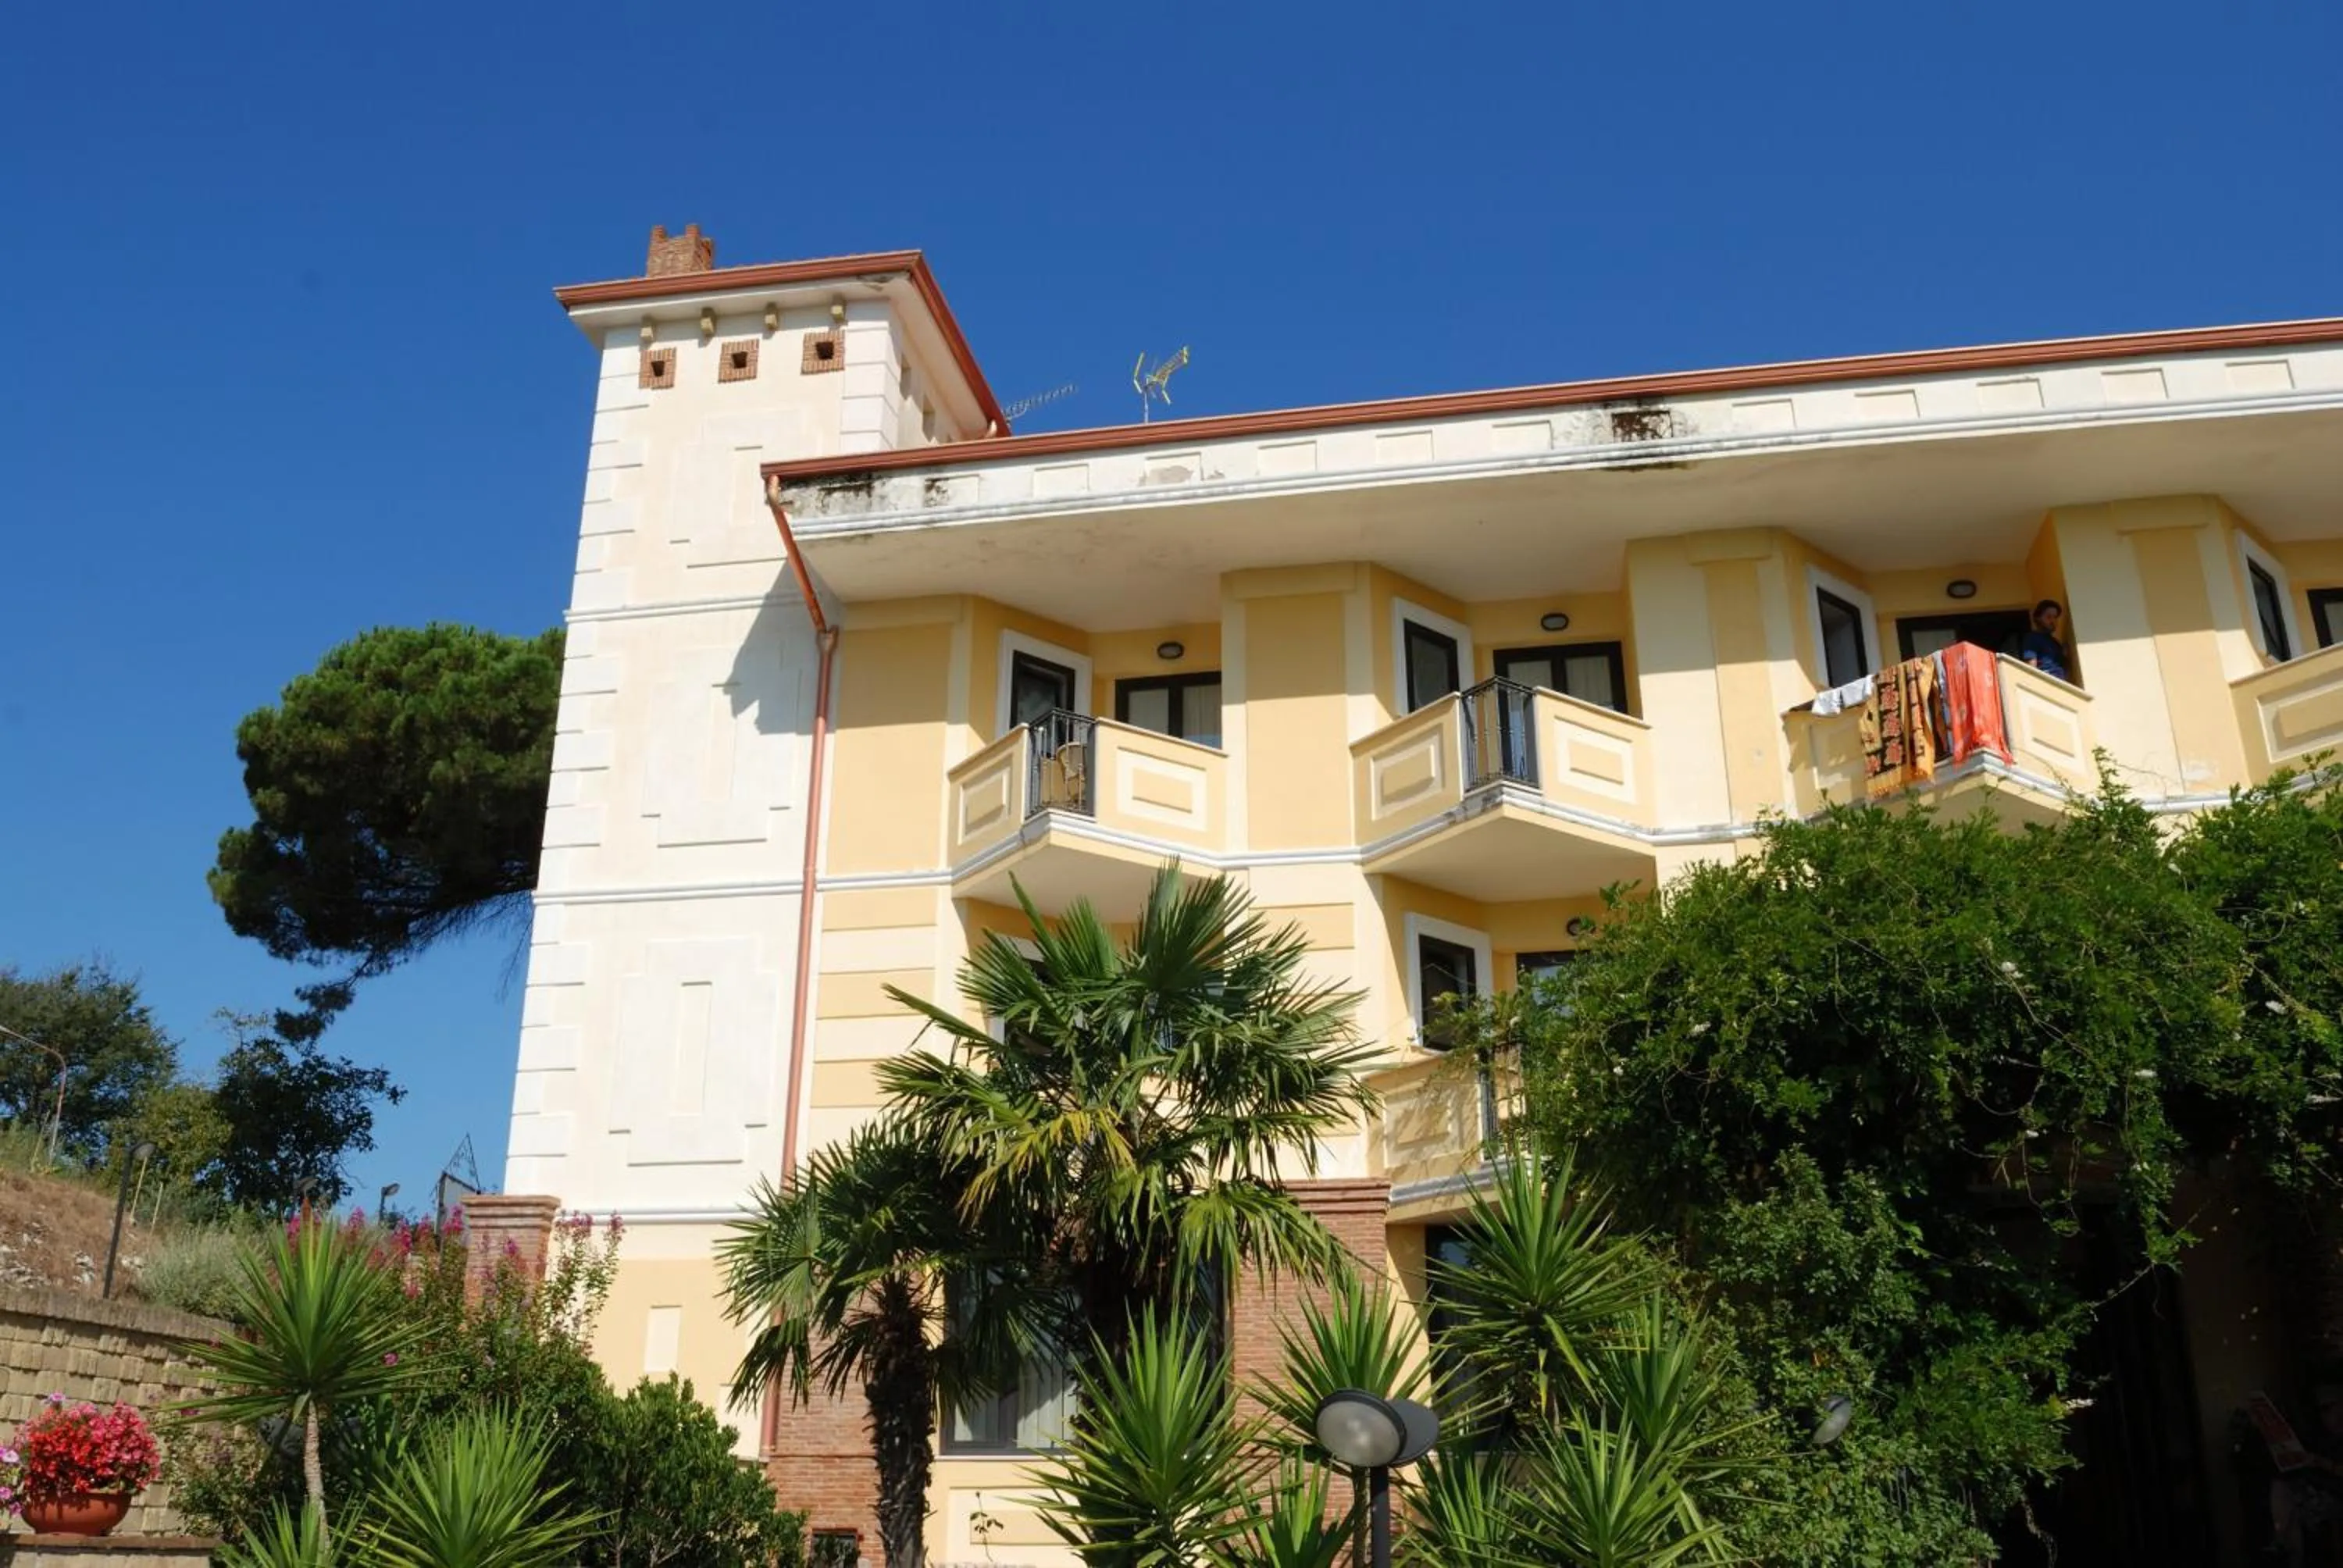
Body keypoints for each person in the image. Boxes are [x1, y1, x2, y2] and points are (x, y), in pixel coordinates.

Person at [2020, 599, 2072, 682]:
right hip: (2045, 683)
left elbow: (2065, 671)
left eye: (2055, 617)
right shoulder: (2032, 638)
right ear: (2038, 618)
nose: (2053, 621)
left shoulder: (2055, 643)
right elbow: (2030, 668)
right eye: (2049, 617)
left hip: (2061, 685)